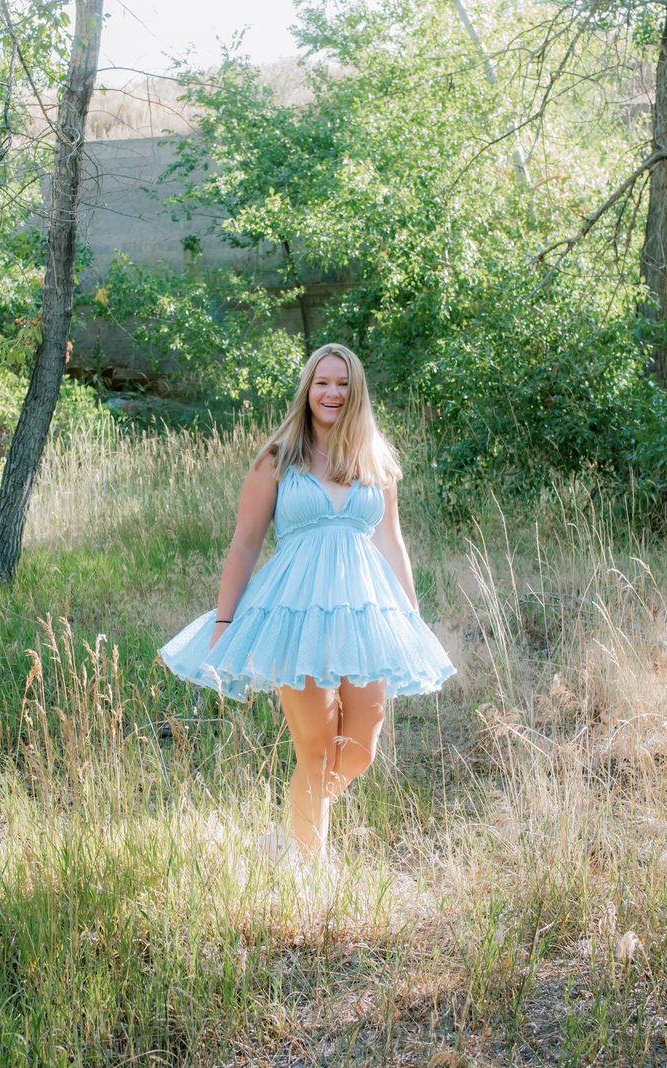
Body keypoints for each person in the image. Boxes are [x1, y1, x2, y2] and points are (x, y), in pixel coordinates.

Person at [158, 342, 454, 863]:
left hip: (363, 615)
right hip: (297, 616)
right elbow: (245, 543)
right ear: (308, 390)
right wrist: (225, 618)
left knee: (360, 749)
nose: (332, 393)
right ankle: (306, 871)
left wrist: (412, 619)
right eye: (322, 383)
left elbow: (392, 542)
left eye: (342, 384)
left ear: (355, 391)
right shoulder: (277, 459)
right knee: (315, 749)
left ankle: (285, 838)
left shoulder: (375, 460)